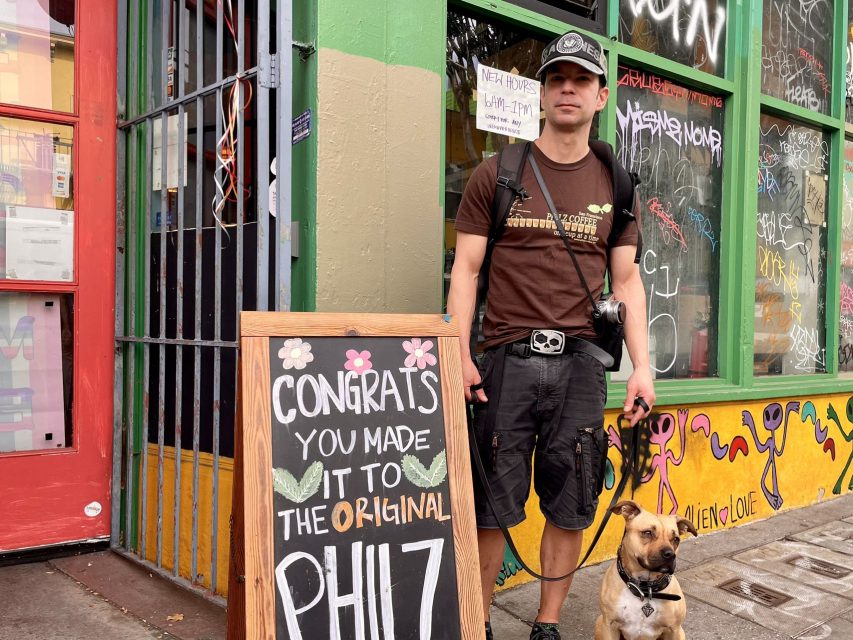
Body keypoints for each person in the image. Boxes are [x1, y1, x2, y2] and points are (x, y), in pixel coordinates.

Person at [446, 30, 656, 640]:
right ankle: (478, 623)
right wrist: (457, 356)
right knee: (492, 508)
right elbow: (465, 271)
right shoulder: (499, 172)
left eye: (581, 80)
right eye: (557, 79)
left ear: (600, 96)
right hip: (503, 365)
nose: (568, 88)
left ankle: (546, 625)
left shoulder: (616, 183)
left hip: (581, 369)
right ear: (542, 94)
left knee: (571, 504)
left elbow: (629, 282)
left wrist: (642, 367)